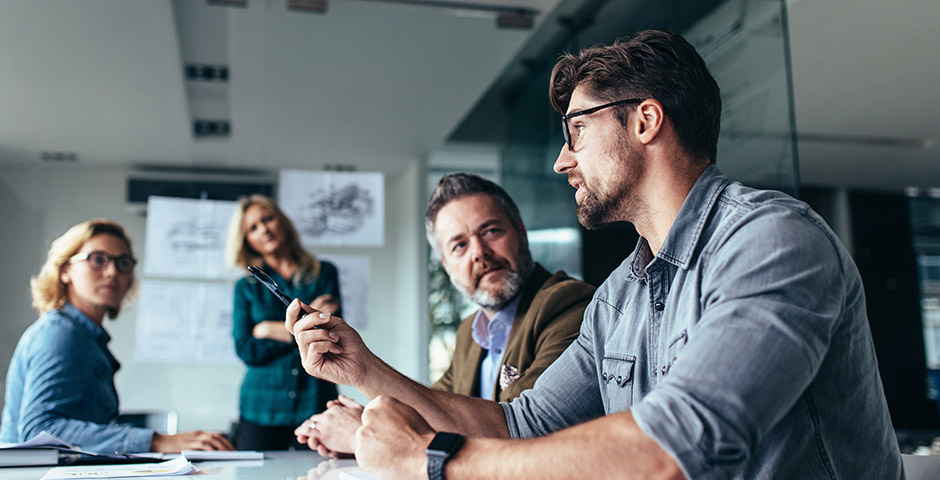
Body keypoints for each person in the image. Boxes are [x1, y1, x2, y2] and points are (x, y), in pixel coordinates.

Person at [287, 28, 903, 479]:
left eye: (578, 129)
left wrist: (434, 462)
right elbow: (518, 425)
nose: (562, 160)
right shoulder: (620, 295)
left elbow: (678, 449)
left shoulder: (772, 241)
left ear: (645, 121)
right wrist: (362, 369)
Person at [293, 174, 595, 456]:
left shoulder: (569, 305)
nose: (479, 252)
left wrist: (363, 432)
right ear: (447, 265)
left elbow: (516, 433)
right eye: (459, 245)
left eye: (490, 231)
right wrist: (370, 417)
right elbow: (433, 412)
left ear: (521, 231)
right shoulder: (470, 332)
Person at [0, 219, 233, 453]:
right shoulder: (60, 333)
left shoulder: (87, 337)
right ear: (65, 271)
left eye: (123, 263)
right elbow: (40, 430)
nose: (113, 272)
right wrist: (156, 441)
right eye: (97, 260)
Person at [226, 194, 341, 450]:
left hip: (315, 402)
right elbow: (246, 349)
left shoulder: (324, 274)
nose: (264, 229)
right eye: (253, 228)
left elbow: (330, 336)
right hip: (261, 407)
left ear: (282, 222)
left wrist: (266, 329)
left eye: (267, 219)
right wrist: (303, 329)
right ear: (247, 240)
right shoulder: (246, 288)